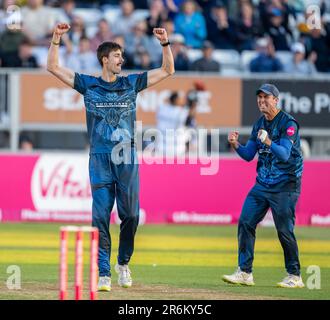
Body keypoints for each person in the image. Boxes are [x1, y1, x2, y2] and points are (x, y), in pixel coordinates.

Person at [47, 22, 175, 292]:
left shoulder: (131, 83)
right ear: (105, 59)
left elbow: (167, 70)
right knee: (100, 217)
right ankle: (103, 272)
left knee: (130, 216)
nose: (122, 60)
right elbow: (53, 68)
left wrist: (165, 44)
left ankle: (123, 263)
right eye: (117, 56)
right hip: (100, 159)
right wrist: (57, 38)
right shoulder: (88, 85)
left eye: (121, 56)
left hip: (126, 158)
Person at [223, 83, 305, 288]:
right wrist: (236, 145)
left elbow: (285, 154)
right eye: (259, 98)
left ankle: (295, 276)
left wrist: (268, 142)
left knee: (284, 231)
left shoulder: (289, 123)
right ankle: (244, 272)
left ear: (276, 100)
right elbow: (249, 155)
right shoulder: (259, 123)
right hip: (263, 184)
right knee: (245, 222)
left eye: (266, 97)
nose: (261, 101)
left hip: (286, 184)